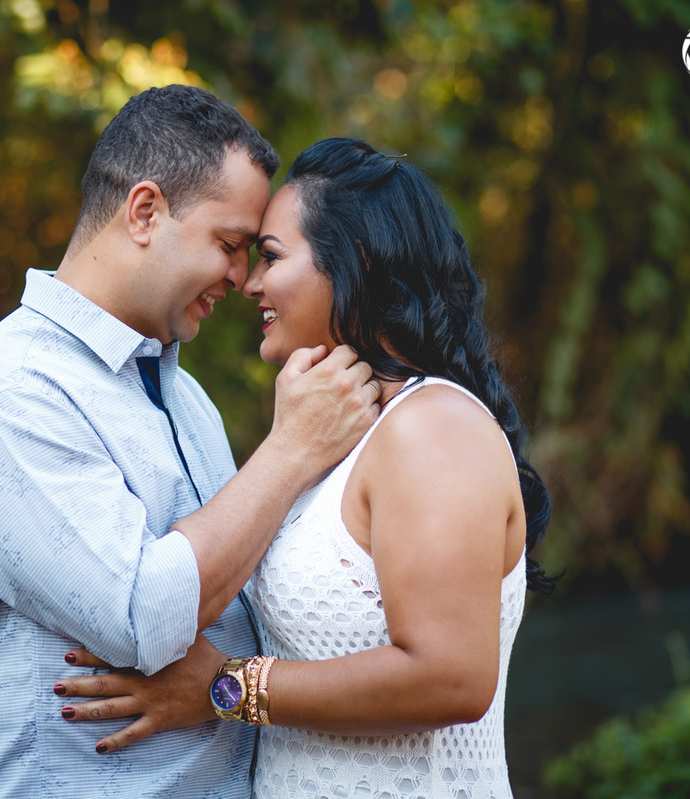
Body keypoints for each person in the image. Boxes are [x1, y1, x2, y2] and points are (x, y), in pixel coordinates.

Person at [0, 91, 381, 798]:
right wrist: (293, 450)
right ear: (145, 211)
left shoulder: (186, 399)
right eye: (229, 245)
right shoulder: (10, 396)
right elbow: (142, 617)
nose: (243, 278)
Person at [57, 137, 555, 798]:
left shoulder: (433, 427)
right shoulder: (341, 436)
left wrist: (226, 686)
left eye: (270, 256)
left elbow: (452, 676)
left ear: (360, 261)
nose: (249, 283)